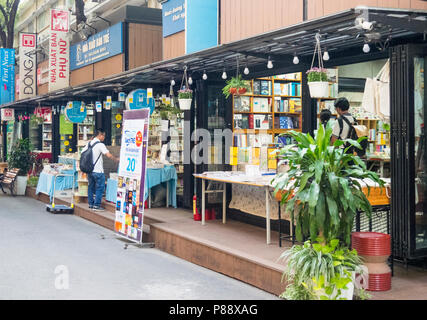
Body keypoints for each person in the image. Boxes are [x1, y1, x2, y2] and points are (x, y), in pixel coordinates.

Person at [82, 129, 119, 211]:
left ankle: (91, 204)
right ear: (100, 135)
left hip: (90, 170)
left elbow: (82, 152)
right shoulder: (100, 144)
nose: (104, 137)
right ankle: (97, 205)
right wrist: (116, 159)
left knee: (91, 187)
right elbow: (108, 154)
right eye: (104, 135)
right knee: (100, 188)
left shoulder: (89, 143)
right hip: (98, 171)